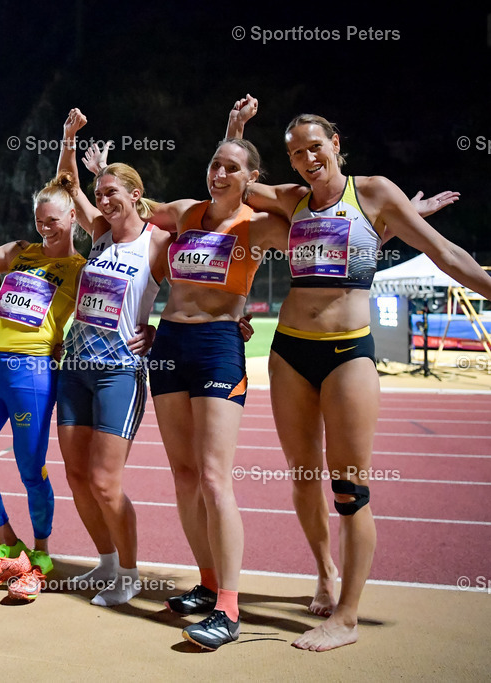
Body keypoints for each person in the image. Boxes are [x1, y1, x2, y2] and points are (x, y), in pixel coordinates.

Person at [228, 96, 491, 651]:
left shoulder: (372, 191)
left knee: (349, 488)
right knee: (302, 477)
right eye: (296, 152)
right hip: (288, 352)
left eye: (315, 147)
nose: (307, 158)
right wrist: (234, 129)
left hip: (348, 353)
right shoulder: (290, 201)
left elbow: (447, 254)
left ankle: (347, 619)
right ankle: (326, 573)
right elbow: (230, 179)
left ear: (336, 145)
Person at [87, 137, 285, 647]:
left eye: (232, 169)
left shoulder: (258, 225)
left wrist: (389, 215)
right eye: (214, 163)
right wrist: (83, 165)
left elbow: (324, 231)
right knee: (184, 474)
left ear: (252, 178)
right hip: (170, 341)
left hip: (219, 344)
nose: (219, 173)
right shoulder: (182, 214)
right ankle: (208, 581)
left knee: (217, 479)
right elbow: (115, 208)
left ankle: (229, 608)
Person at [54, 109, 173, 606]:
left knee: (105, 482)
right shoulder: (100, 235)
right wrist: (67, 138)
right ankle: (103, 563)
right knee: (77, 477)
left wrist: (159, 332)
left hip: (118, 373)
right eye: (100, 195)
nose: (103, 202)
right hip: (75, 369)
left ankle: (128, 573)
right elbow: (67, 182)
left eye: (113, 195)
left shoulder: (158, 242)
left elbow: (197, 294)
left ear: (136, 197)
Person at [0, 177, 88, 580]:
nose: (45, 228)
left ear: (73, 217)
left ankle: (42, 552)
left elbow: (110, 308)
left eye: (53, 220)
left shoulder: (80, 269)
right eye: (39, 220)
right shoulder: (19, 252)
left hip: (33, 373)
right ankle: (8, 542)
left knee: (31, 468)